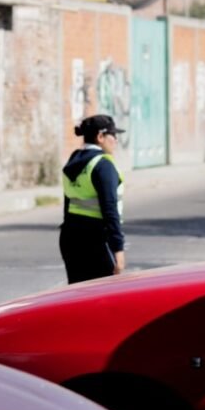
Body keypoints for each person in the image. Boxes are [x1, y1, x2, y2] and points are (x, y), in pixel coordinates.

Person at [59, 114, 126, 283]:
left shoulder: (73, 161)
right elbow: (110, 208)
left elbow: (68, 203)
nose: (116, 141)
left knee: (78, 296)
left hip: (70, 238)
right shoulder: (103, 165)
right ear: (100, 137)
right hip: (96, 240)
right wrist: (118, 249)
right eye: (113, 135)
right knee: (103, 296)